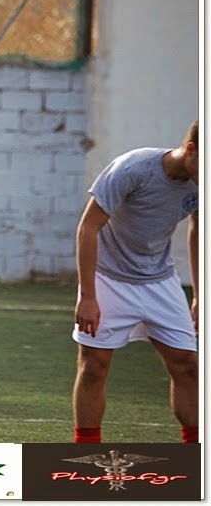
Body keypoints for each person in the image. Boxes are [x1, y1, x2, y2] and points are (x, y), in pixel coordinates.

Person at [72, 119, 199, 443]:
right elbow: (88, 227)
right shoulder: (133, 168)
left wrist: (200, 295)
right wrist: (88, 296)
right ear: (191, 150)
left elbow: (198, 230)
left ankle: (197, 453)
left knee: (188, 365)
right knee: (94, 367)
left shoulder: (202, 184)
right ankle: (85, 451)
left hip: (160, 281)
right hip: (108, 278)